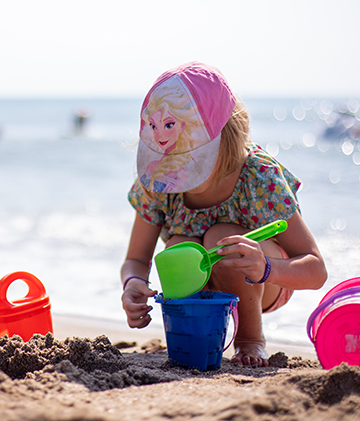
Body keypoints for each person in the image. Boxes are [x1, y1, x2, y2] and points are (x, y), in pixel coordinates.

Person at [120, 62, 327, 367]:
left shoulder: (258, 177)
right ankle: (195, 335)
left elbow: (316, 270)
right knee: (178, 244)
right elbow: (136, 259)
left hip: (265, 279)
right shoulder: (161, 178)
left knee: (221, 238)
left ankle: (249, 338)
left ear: (225, 140)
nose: (176, 169)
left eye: (188, 159)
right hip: (201, 280)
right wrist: (133, 284)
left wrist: (266, 267)